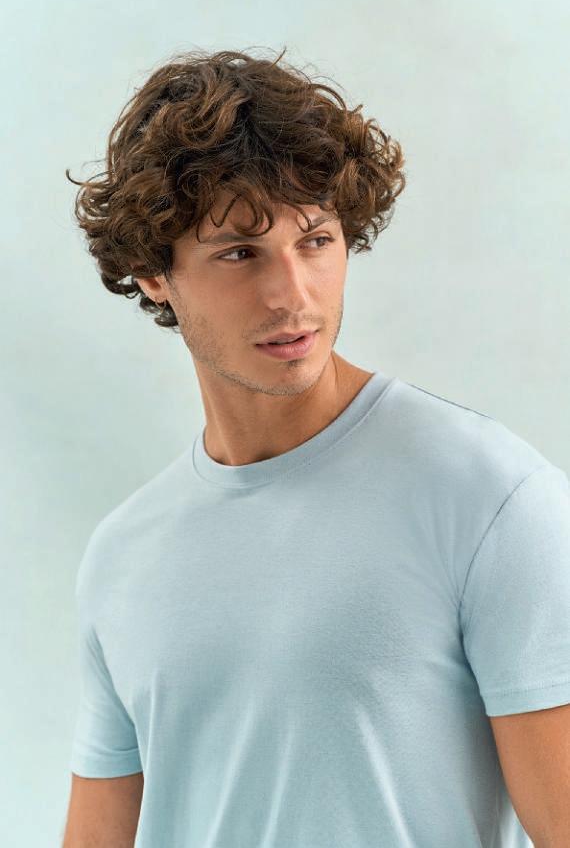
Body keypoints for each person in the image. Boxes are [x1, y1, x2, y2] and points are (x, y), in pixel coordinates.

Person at [62, 48, 570, 847]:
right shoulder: (124, 553)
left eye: (316, 240)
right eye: (240, 252)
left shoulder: (489, 499)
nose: (292, 295)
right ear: (151, 271)